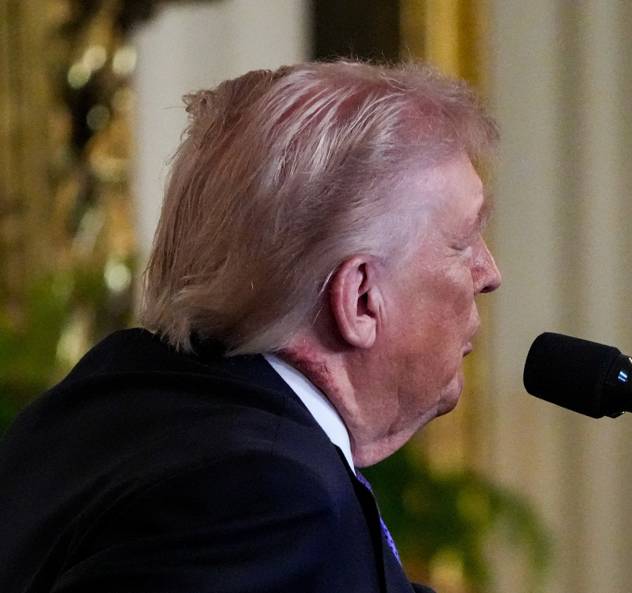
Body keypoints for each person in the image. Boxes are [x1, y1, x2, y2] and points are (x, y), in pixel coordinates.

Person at [0, 61, 501, 593]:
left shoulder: (111, 400)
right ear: (359, 299)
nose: (488, 274)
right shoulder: (265, 493)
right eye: (462, 242)